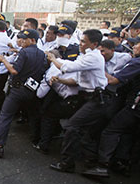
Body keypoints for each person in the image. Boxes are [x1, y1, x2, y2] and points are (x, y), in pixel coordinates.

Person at [81, 32, 140, 179]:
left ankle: (102, 166)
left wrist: (97, 68)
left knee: (111, 130)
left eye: (137, 44)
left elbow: (113, 80)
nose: (134, 47)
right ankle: (124, 163)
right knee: (131, 133)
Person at [46, 29, 108, 172]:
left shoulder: (93, 57)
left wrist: (53, 59)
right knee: (83, 130)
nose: (80, 44)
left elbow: (68, 67)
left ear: (94, 44)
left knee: (72, 127)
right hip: (87, 98)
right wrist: (60, 80)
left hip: (96, 100)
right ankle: (92, 163)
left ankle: (68, 163)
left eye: (84, 42)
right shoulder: (86, 56)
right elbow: (76, 80)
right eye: (80, 40)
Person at [0, 29, 47, 158]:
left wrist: (3, 60)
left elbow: (14, 71)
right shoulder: (42, 54)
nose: (21, 41)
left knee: (5, 117)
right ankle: (37, 140)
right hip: (32, 90)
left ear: (33, 40)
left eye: (24, 39)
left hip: (18, 90)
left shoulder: (24, 52)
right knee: (34, 115)